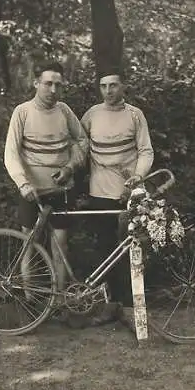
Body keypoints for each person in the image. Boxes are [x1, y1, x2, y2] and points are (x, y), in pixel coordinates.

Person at [4, 61, 88, 298]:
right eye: (48, 83)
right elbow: (11, 152)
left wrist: (70, 168)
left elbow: (82, 140)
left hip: (60, 191)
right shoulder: (22, 112)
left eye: (58, 85)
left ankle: (59, 299)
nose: (53, 90)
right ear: (36, 83)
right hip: (32, 191)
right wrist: (22, 183)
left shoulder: (64, 111)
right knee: (28, 245)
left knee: (60, 247)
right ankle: (30, 301)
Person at [81, 68, 154, 328]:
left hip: (130, 194)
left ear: (123, 86)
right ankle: (109, 306)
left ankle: (134, 308)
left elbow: (146, 151)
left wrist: (138, 175)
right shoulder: (91, 115)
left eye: (113, 85)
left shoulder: (135, 115)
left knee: (133, 249)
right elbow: (80, 147)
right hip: (99, 193)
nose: (108, 91)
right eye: (103, 86)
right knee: (105, 250)